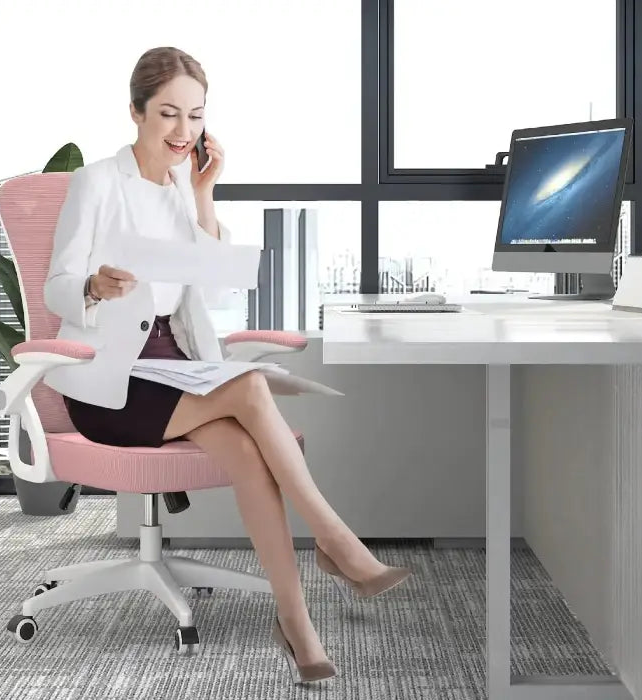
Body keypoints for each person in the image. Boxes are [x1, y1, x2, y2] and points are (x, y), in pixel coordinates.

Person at [52, 46, 412, 684]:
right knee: (247, 384)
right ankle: (336, 541)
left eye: (195, 115)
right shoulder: (97, 181)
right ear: (135, 113)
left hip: (174, 365)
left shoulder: (183, 188)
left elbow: (210, 291)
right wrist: (93, 287)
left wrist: (205, 196)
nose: (183, 131)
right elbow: (57, 285)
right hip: (111, 379)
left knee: (248, 454)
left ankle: (297, 624)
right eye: (168, 114)